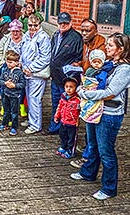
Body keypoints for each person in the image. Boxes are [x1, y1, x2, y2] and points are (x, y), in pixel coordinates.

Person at [71, 33, 130, 201]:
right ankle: (88, 172)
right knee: (93, 144)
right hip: (95, 111)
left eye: (111, 45)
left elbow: (110, 93)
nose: (107, 47)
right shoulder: (109, 64)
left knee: (106, 151)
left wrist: (86, 93)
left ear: (121, 49)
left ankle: (109, 187)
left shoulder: (124, 69)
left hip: (109, 114)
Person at [70, 19, 106, 169]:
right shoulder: (86, 43)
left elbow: (98, 67)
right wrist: (80, 65)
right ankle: (87, 150)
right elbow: (87, 63)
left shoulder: (100, 46)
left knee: (91, 123)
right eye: (82, 30)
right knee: (87, 121)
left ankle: (87, 158)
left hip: (95, 91)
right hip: (85, 85)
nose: (84, 33)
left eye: (88, 30)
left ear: (95, 31)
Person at [48, 12, 83, 134]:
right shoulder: (55, 35)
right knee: (56, 103)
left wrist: (72, 76)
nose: (63, 25)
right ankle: (55, 125)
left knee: (67, 106)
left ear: (71, 23)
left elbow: (78, 59)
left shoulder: (76, 38)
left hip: (67, 79)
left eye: (66, 23)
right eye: (60, 23)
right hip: (55, 76)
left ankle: (64, 128)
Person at [20, 15, 51, 134]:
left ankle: (35, 125)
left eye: (35, 25)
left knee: (35, 99)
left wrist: (31, 68)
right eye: (30, 25)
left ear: (40, 25)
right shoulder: (27, 35)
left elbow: (45, 58)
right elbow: (23, 52)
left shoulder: (43, 37)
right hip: (26, 71)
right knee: (29, 97)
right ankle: (31, 119)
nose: (32, 28)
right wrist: (22, 65)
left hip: (37, 73)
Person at [0, 19, 25, 115]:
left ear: (21, 30)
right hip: (7, 65)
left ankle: (19, 106)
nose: (15, 33)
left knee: (19, 87)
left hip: (20, 66)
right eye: (13, 31)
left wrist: (21, 63)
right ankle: (4, 106)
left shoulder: (25, 39)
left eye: (17, 31)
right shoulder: (6, 38)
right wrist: (1, 63)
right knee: (5, 86)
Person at [0, 50, 26, 136]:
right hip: (6, 93)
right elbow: (0, 80)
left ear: (17, 62)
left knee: (14, 112)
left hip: (15, 95)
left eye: (11, 62)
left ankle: (14, 127)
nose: (9, 64)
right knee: (6, 110)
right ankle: (4, 124)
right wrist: (5, 83)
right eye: (8, 62)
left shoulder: (20, 73)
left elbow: (23, 84)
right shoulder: (5, 70)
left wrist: (14, 85)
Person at [54, 77, 81, 159]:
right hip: (63, 121)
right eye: (67, 86)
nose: (68, 89)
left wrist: (77, 120)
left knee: (71, 138)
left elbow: (80, 110)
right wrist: (57, 116)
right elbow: (60, 107)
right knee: (62, 135)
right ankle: (63, 147)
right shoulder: (63, 97)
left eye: (71, 87)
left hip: (72, 123)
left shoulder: (77, 99)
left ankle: (70, 151)